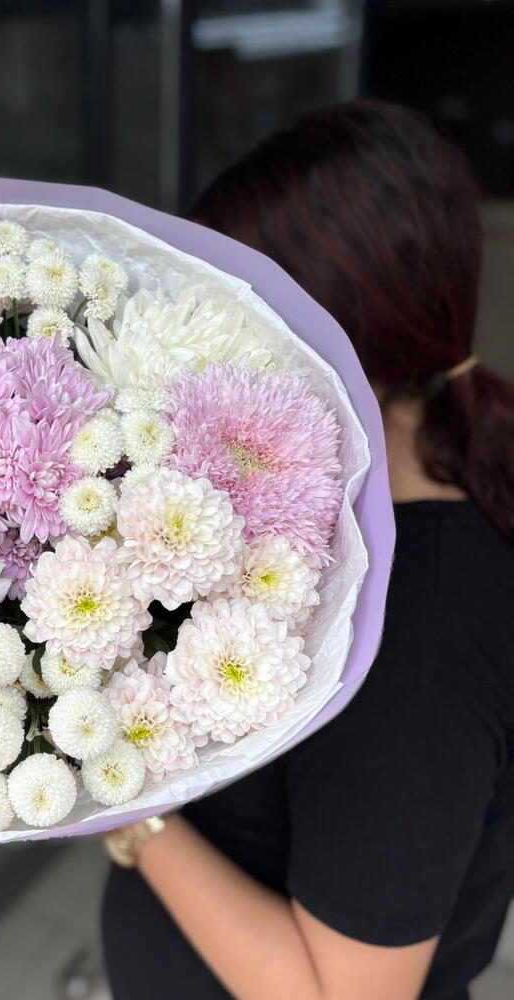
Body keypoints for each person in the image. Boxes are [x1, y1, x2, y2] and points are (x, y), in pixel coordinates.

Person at [101, 100, 514, 1000]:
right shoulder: (365, 505)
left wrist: (131, 812)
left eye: (232, 311)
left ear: (340, 331)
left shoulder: (417, 628)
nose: (209, 347)